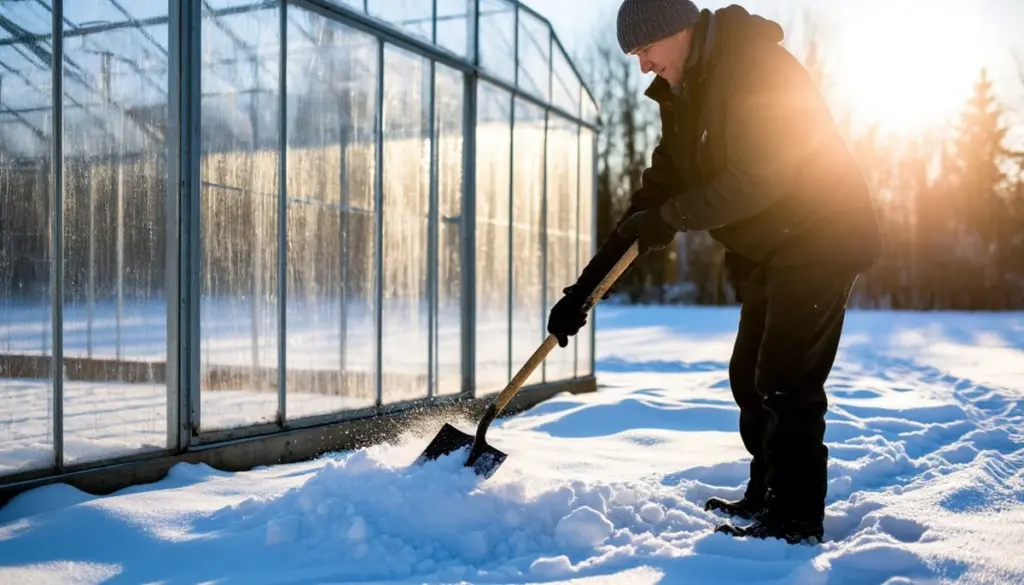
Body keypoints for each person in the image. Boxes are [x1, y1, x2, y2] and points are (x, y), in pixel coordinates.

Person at [546, 0, 883, 545]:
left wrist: (671, 218)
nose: (643, 66)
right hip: (773, 248)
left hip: (823, 233)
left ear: (677, 29)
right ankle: (768, 495)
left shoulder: (757, 66)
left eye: (646, 50)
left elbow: (762, 178)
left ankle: (794, 521)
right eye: (634, 55)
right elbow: (651, 199)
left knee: (785, 380)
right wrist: (582, 293)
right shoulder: (685, 95)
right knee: (750, 375)